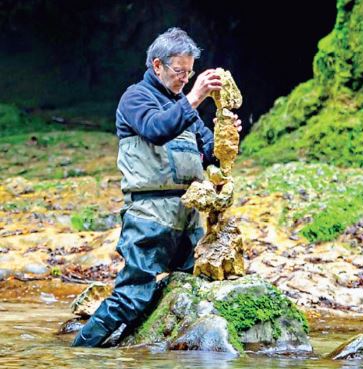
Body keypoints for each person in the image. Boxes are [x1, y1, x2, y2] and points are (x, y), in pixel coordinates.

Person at [72, 27, 242, 347]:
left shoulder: (184, 107)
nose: (185, 80)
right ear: (157, 65)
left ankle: (156, 348)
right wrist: (194, 99)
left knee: (191, 287)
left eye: (189, 73)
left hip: (188, 214)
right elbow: (155, 129)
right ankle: (80, 352)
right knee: (133, 296)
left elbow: (211, 155)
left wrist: (228, 134)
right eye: (180, 71)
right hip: (149, 214)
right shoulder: (136, 97)